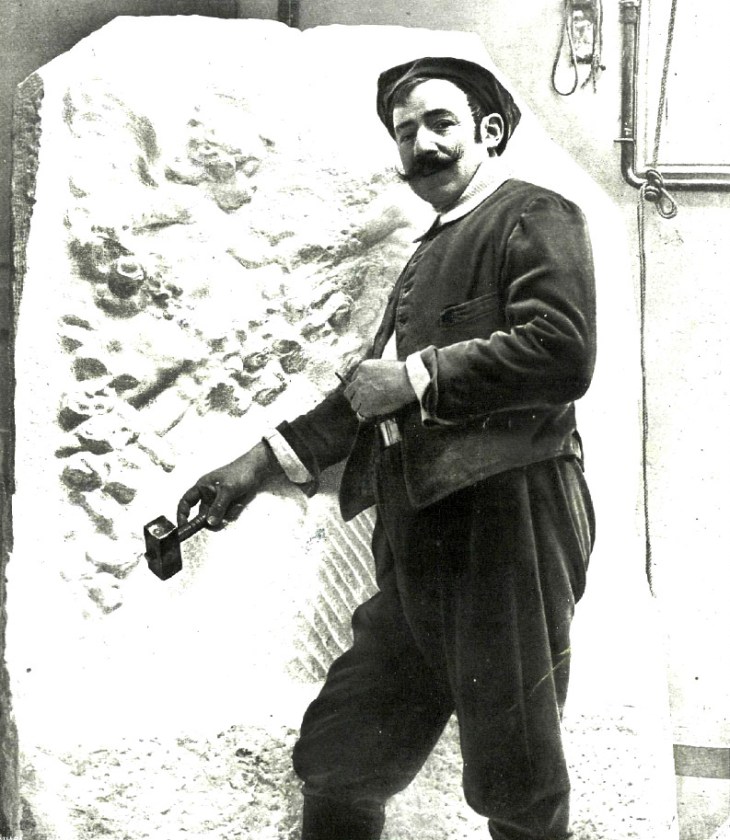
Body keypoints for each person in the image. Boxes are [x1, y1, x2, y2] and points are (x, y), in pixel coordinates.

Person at [177, 56, 596, 840]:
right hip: (418, 535)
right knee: (341, 751)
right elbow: (365, 400)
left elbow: (562, 351)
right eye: (406, 132)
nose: (421, 145)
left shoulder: (533, 214)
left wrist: (412, 376)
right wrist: (252, 466)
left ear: (490, 131)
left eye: (441, 123)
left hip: (510, 523)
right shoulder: (428, 256)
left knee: (516, 773)